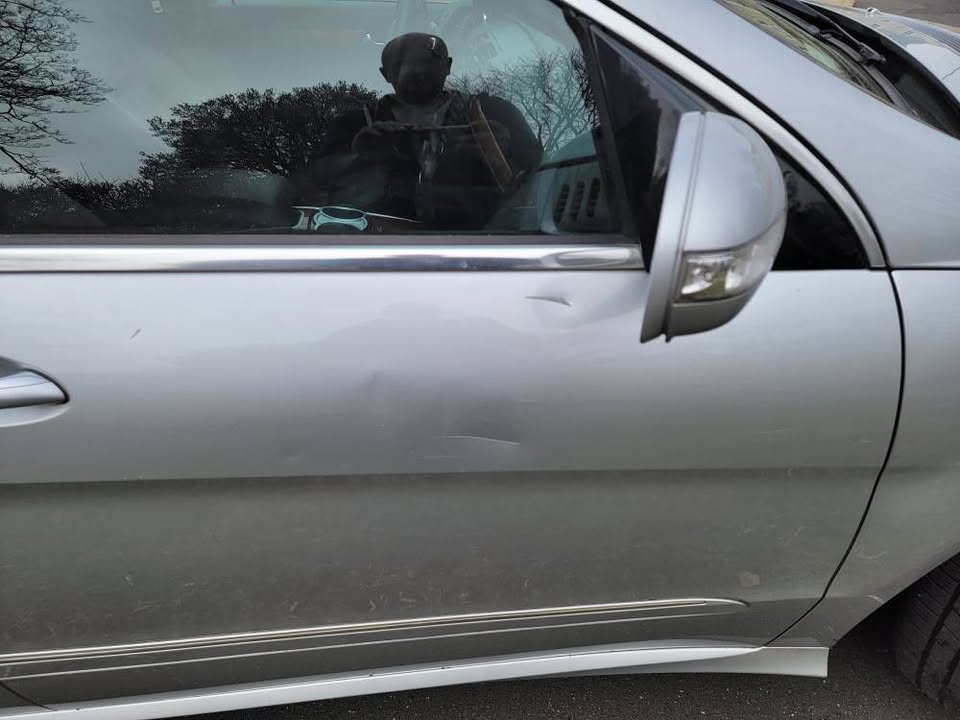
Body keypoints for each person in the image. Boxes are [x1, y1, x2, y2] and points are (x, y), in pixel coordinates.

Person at [306, 33, 542, 230]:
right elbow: (310, 192)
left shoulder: (494, 114)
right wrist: (357, 155)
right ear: (385, 74)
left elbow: (538, 188)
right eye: (401, 64)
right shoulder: (352, 125)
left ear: (448, 66)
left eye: (427, 61)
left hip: (484, 247)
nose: (415, 70)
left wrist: (503, 152)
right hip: (372, 245)